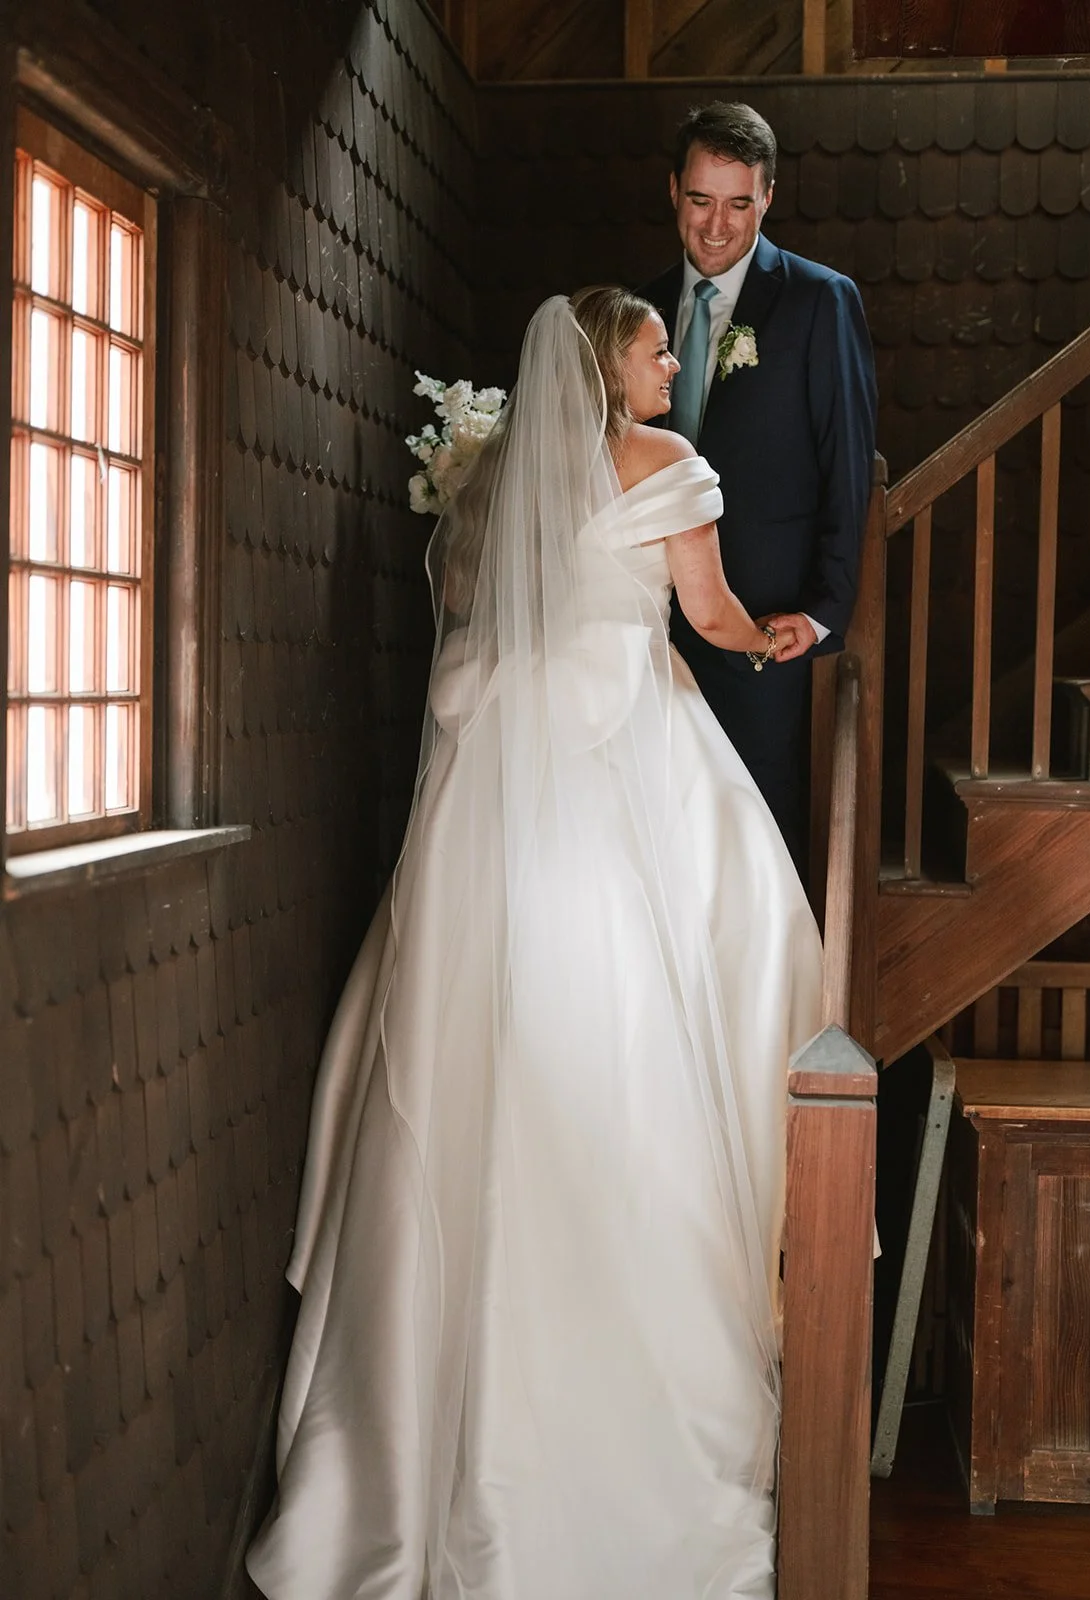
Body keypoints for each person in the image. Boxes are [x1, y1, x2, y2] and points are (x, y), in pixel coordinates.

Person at [245, 287, 822, 1600]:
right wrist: (781, 636)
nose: (674, 358)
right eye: (657, 343)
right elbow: (715, 613)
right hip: (623, 751)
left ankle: (411, 1441)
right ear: (611, 364)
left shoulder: (500, 478)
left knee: (476, 1039)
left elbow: (474, 603)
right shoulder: (667, 463)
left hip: (501, 771)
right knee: (674, 998)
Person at [643, 101, 877, 868]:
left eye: (739, 204)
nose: (717, 226)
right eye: (702, 200)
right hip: (643, 640)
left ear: (767, 197)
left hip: (761, 638)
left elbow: (848, 468)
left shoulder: (818, 301)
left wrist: (821, 612)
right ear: (674, 190)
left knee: (754, 855)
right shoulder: (632, 311)